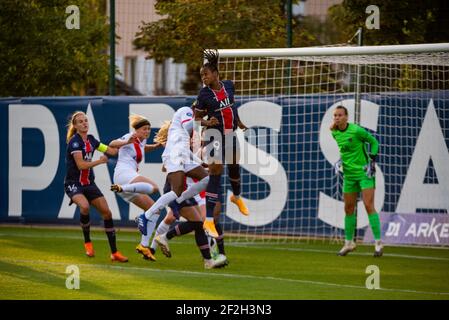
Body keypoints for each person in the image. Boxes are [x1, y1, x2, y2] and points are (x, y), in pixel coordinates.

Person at [194, 48, 249, 248]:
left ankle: (237, 196)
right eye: (201, 75)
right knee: (216, 171)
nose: (204, 77)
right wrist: (208, 123)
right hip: (213, 135)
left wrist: (239, 122)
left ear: (215, 74)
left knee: (234, 165)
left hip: (230, 134)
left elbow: (232, 108)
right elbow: (196, 120)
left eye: (206, 74)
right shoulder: (203, 94)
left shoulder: (228, 86)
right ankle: (209, 218)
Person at [136, 103, 211, 238]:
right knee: (176, 191)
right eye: (204, 111)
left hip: (182, 156)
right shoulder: (186, 111)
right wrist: (205, 122)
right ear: (196, 108)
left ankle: (179, 200)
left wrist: (201, 163)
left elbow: (185, 149)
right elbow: (188, 125)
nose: (204, 114)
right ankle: (145, 216)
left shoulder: (190, 126)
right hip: (174, 156)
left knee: (207, 179)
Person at [64, 111, 128, 262]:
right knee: (85, 207)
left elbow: (111, 151)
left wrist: (127, 141)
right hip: (74, 184)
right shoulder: (75, 142)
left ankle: (115, 253)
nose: (84, 123)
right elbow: (80, 165)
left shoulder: (92, 140)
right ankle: (88, 243)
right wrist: (100, 161)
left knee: (107, 213)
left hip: (89, 184)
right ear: (75, 126)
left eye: (85, 120)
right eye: (80, 122)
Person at [331, 105, 383, 257]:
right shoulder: (334, 132)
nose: (337, 117)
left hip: (364, 173)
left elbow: (374, 142)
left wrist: (372, 161)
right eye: (335, 115)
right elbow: (345, 149)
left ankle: (378, 243)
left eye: (340, 115)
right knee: (348, 208)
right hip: (349, 175)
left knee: (368, 205)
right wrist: (340, 160)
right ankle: (349, 243)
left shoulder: (356, 130)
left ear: (346, 117)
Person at [108, 114, 162, 261]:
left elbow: (144, 148)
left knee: (155, 209)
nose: (147, 132)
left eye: (149, 129)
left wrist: (156, 146)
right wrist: (126, 140)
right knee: (154, 187)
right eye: (144, 129)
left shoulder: (142, 141)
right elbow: (112, 143)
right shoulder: (131, 136)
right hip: (123, 175)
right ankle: (122, 190)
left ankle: (144, 245)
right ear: (136, 130)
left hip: (127, 180)